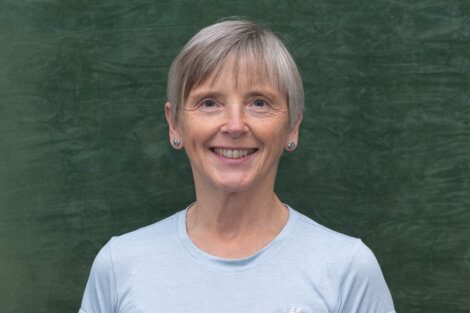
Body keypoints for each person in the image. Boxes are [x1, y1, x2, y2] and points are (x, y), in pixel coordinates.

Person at [79, 19, 396, 313]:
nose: (234, 125)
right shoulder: (119, 265)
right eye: (209, 103)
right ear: (174, 124)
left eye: (259, 103)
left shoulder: (348, 269)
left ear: (292, 126)